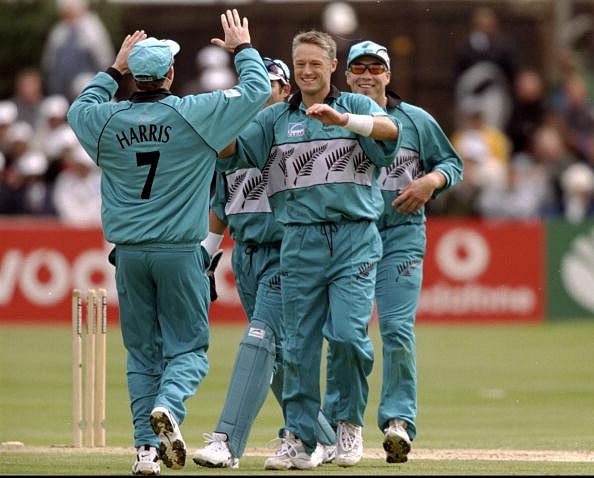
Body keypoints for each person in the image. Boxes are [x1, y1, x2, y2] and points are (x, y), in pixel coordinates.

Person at [66, 9, 271, 475]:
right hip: (179, 252)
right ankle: (170, 406)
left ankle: (145, 452)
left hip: (129, 254)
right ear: (171, 74)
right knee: (189, 351)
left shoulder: (105, 121)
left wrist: (112, 70)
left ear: (135, 76)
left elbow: (77, 108)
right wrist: (242, 48)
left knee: (142, 353)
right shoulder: (194, 114)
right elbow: (257, 91)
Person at [218, 30, 402, 469]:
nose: (305, 71)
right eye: (299, 64)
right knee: (297, 345)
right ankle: (300, 438)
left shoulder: (355, 105)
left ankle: (348, 426)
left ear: (332, 65)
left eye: (314, 64)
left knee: (349, 337)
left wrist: (343, 123)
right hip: (298, 239)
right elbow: (232, 153)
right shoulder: (274, 120)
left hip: (353, 238)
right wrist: (215, 121)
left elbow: (389, 130)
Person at [191, 57, 336, 471]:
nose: (261, 97)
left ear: (285, 91)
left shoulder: (288, 133)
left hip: (286, 251)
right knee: (276, 357)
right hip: (249, 257)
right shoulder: (237, 137)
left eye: (270, 87)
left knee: (258, 339)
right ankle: (322, 436)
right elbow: (222, 199)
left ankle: (226, 442)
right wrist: (207, 251)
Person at [324, 40, 463, 464]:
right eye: (358, 69)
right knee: (343, 334)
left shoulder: (415, 120)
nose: (367, 75)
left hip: (399, 236)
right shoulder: (331, 118)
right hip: (347, 238)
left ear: (388, 75)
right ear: (346, 76)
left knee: (397, 330)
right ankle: (339, 422)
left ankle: (398, 422)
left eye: (375, 68)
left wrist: (430, 182)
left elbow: (452, 164)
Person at [42, 0, 115, 98]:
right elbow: (49, 62)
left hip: (86, 85)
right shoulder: (59, 30)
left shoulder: (93, 28)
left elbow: (104, 60)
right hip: (61, 87)